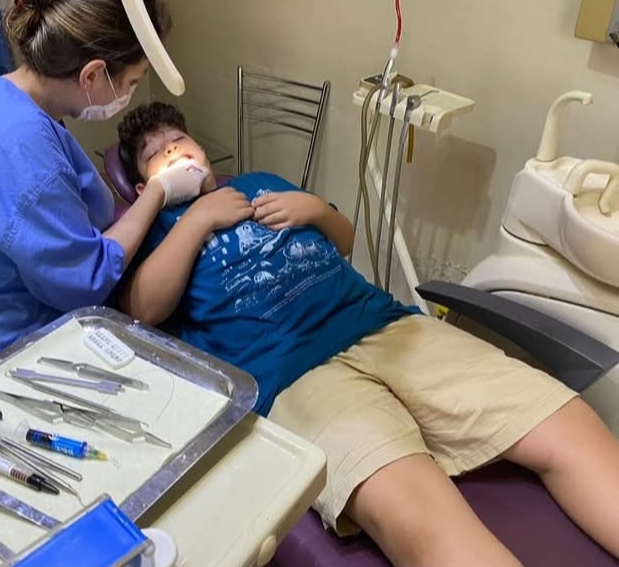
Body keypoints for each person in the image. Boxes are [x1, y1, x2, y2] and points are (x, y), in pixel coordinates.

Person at [115, 101, 619, 567]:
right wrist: (197, 217)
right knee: (419, 515)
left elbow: (344, 239)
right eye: (156, 155)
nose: (174, 152)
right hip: (297, 378)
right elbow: (144, 309)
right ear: (143, 188)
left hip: (386, 326)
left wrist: (316, 210)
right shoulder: (154, 229)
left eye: (179, 140)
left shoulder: (259, 182)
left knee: (565, 422)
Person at [0, 0, 207, 390]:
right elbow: (86, 281)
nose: (129, 94)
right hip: (5, 372)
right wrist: (158, 192)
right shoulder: (26, 154)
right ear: (92, 75)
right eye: (131, 82)